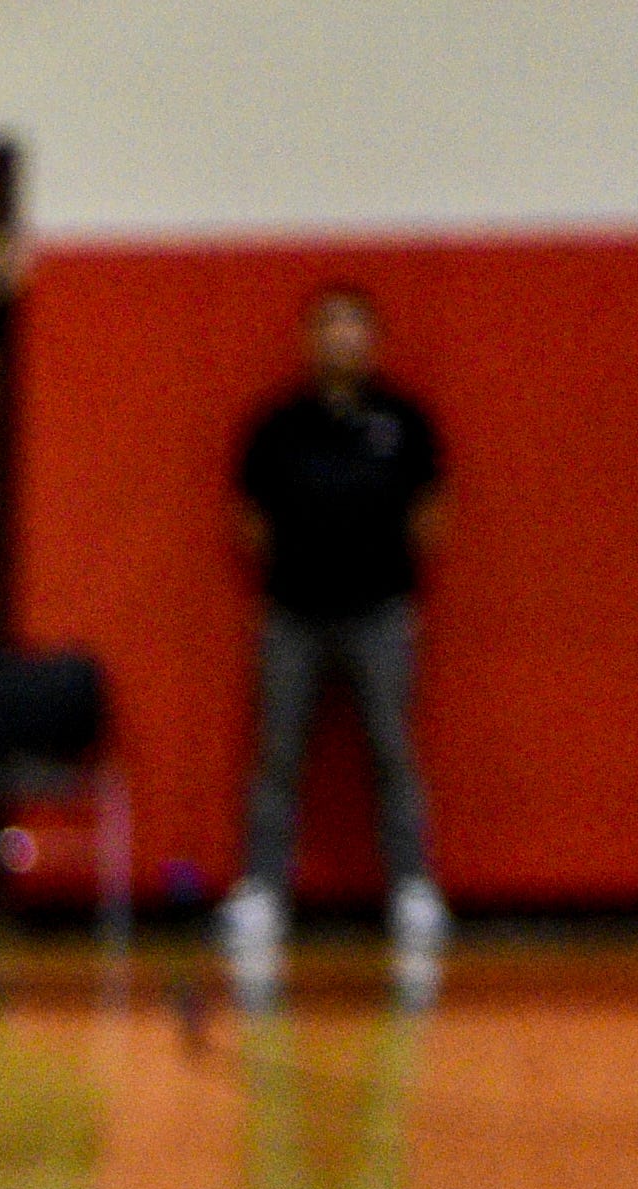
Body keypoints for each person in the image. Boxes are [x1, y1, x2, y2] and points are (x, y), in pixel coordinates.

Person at [225, 282, 448, 985]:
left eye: (353, 325)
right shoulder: (276, 425)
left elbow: (431, 514)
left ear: (372, 339)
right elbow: (249, 520)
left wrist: (382, 572)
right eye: (328, 326)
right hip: (292, 614)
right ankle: (262, 892)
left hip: (380, 614)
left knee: (391, 749)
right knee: (278, 755)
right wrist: (298, 565)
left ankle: (411, 890)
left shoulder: (404, 421)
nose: (340, 338)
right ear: (308, 339)